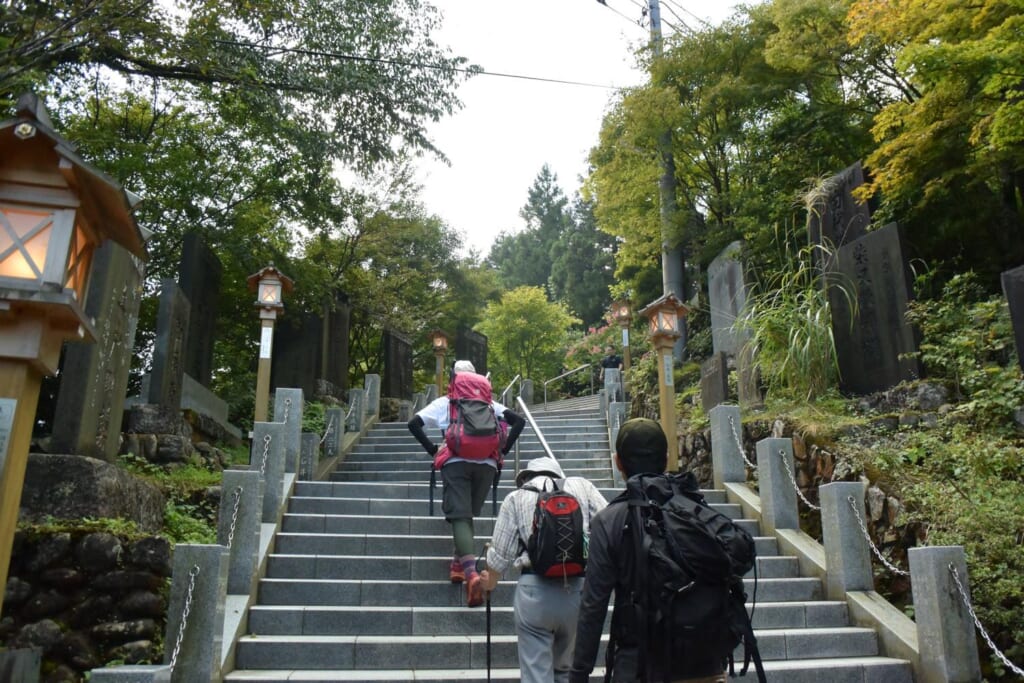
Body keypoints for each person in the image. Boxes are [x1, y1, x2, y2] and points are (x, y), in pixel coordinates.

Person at [570, 418, 727, 683]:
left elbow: (593, 605)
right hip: (705, 664)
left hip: (638, 666)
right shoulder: (697, 512)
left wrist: (579, 673)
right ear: (665, 460)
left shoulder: (609, 521)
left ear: (618, 462)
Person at [407, 359, 525, 607]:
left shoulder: (446, 403)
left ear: (453, 379)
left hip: (456, 461)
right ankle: (457, 565)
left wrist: (433, 451)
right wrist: (502, 451)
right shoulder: (490, 404)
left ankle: (471, 575)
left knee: (460, 517)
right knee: (467, 515)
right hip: (487, 464)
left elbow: (413, 424)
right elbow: (519, 422)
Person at [479, 456, 608, 683]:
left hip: (534, 593)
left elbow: (500, 556)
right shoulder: (582, 487)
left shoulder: (516, 497)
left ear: (527, 477)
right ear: (559, 474)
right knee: (567, 671)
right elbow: (609, 526)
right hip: (577, 591)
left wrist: (489, 584)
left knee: (536, 675)